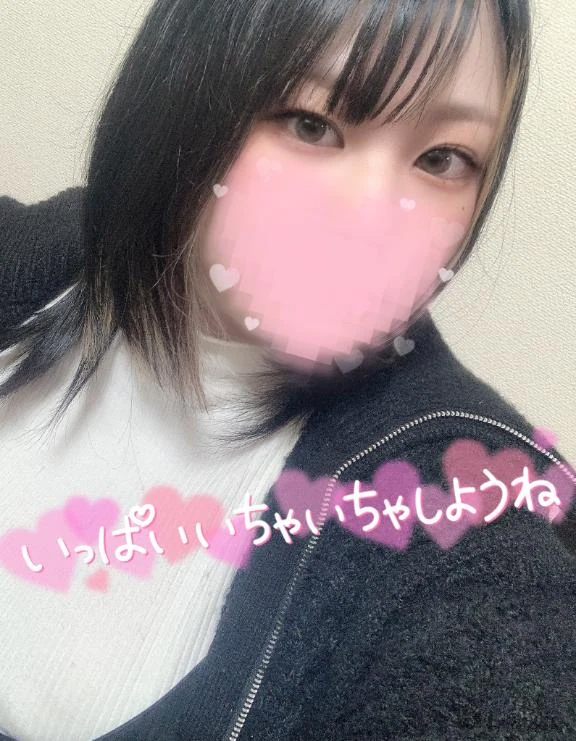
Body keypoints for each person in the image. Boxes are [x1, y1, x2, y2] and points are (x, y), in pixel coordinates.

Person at [0, 0, 575, 739]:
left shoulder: (468, 519)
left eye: (442, 159)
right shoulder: (40, 255)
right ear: (181, 94)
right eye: (310, 123)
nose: (373, 219)